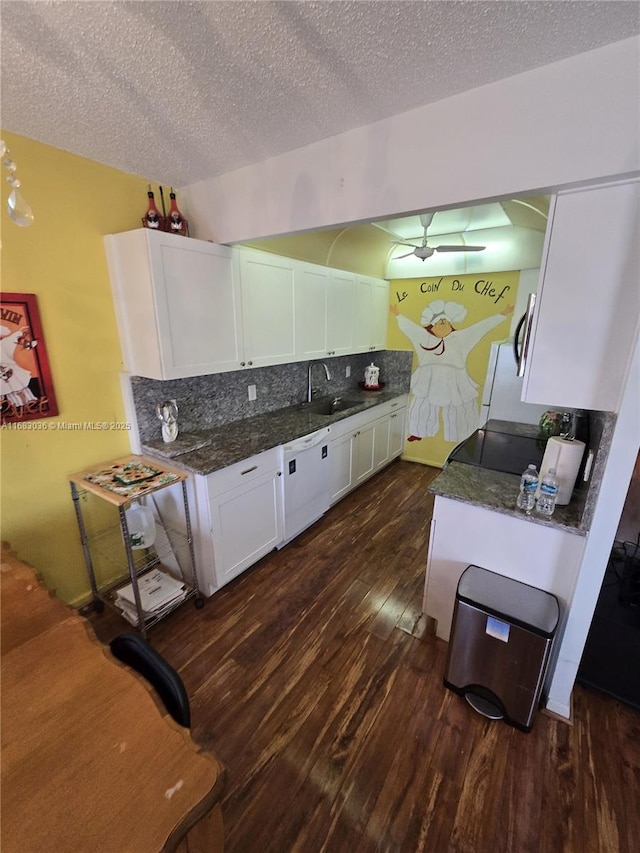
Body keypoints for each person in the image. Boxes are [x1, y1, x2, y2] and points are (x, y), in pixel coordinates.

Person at [391, 299, 513, 442]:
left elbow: (480, 328)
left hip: (454, 378)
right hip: (428, 377)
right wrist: (398, 315)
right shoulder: (424, 338)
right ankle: (418, 431)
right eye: (439, 322)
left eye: (446, 322)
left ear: (451, 325)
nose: (442, 324)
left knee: (459, 406)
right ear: (432, 326)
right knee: (422, 404)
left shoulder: (460, 338)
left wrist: (502, 314)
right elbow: (411, 328)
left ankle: (461, 436)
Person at [0, 325, 38, 411]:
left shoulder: (4, 343)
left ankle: (26, 403)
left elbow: (13, 338)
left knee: (17, 387)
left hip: (9, 370)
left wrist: (20, 332)